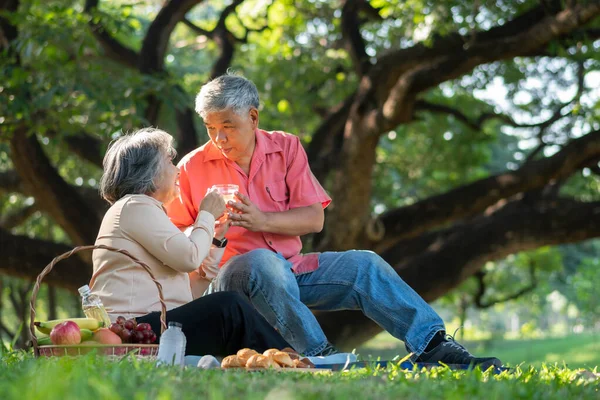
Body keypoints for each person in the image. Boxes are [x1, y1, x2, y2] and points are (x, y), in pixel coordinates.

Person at [166, 73, 502, 369]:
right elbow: (175, 239)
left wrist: (261, 219)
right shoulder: (192, 166)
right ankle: (320, 356)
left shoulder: (286, 148)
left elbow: (314, 219)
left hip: (291, 269)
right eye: (211, 129)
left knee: (364, 265)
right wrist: (210, 229)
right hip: (233, 279)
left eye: (227, 127)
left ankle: (433, 345)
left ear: (253, 118)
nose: (219, 140)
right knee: (262, 262)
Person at [90, 127, 291, 357]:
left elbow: (189, 294)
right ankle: (292, 361)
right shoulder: (134, 205)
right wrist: (205, 215)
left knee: (227, 309)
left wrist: (215, 237)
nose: (177, 170)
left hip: (154, 325)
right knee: (229, 306)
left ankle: (279, 360)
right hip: (131, 329)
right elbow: (189, 258)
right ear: (151, 172)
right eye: (169, 161)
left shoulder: (144, 211)